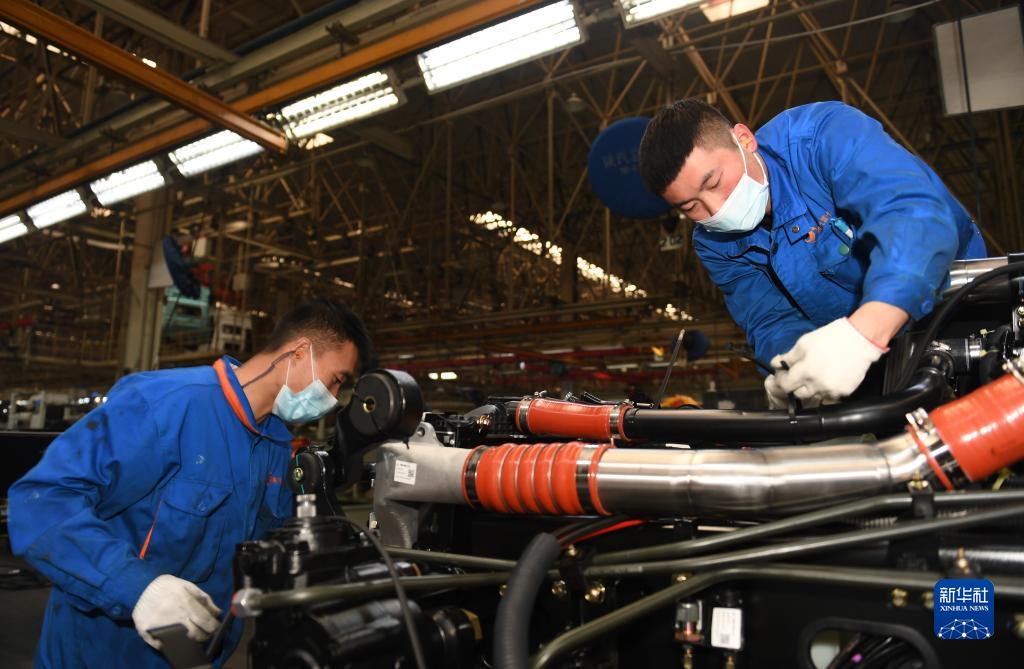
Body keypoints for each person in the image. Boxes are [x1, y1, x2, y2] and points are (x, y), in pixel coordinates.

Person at [9, 298, 373, 668]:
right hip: (101, 654)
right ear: (299, 352)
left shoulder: (276, 445)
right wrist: (137, 588)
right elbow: (41, 501)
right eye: (336, 379)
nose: (332, 399)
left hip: (198, 657)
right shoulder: (163, 404)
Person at [638, 100, 986, 406]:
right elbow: (770, 318)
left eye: (713, 183)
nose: (715, 208)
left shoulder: (824, 136)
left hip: (957, 309)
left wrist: (864, 332)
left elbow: (912, 216)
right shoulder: (713, 242)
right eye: (691, 206)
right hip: (858, 360)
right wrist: (794, 369)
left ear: (744, 139)